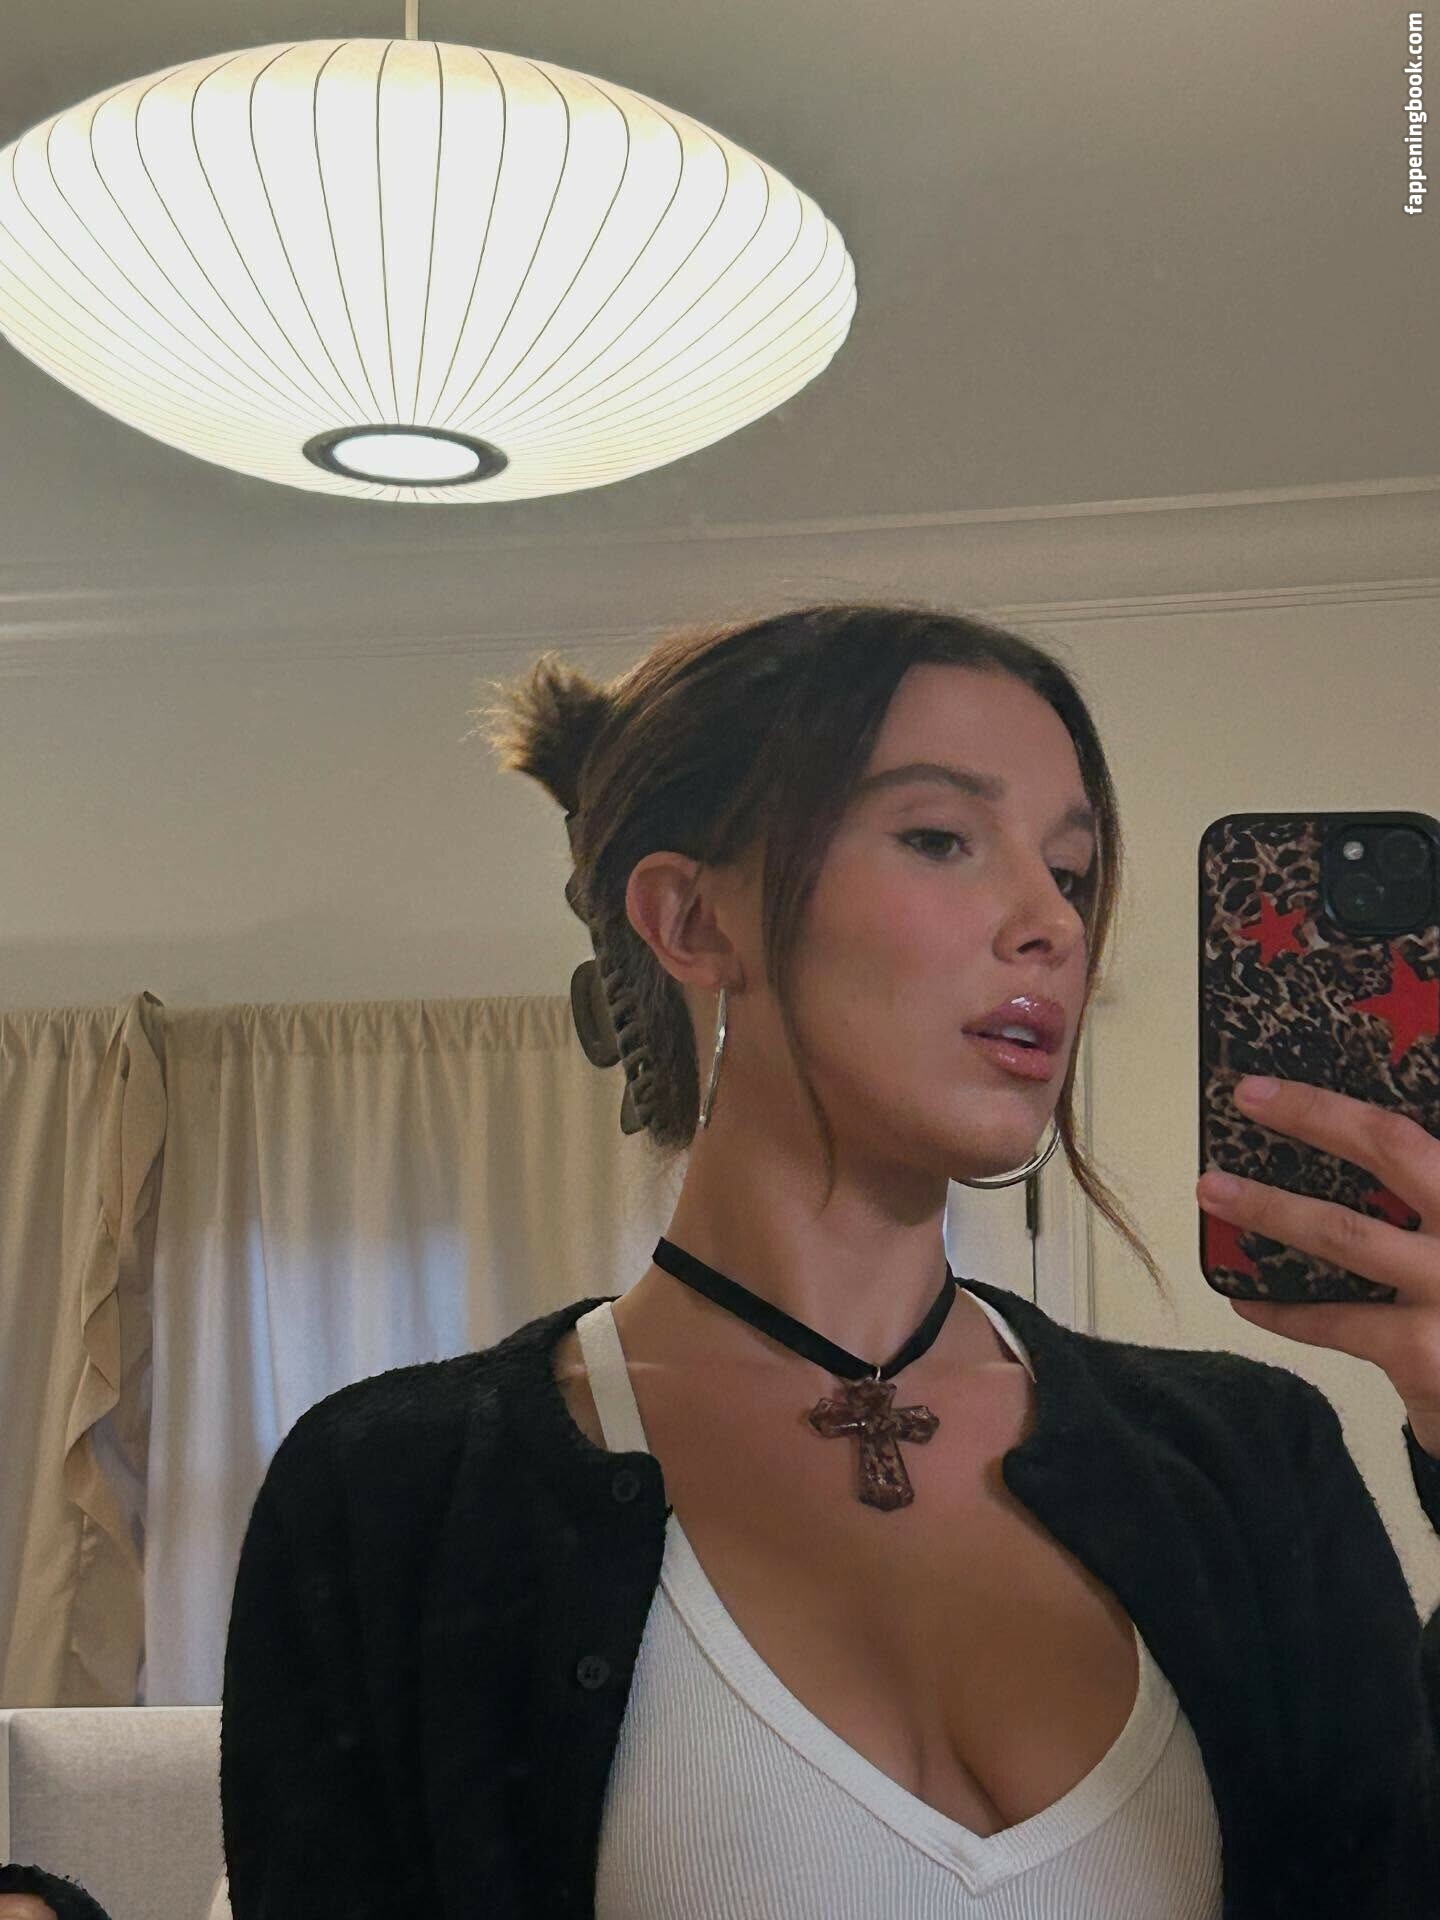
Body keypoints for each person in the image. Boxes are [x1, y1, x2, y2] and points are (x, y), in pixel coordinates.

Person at [209, 600, 1440, 1917]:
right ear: (691, 919)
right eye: (941, 838)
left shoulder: (1251, 1463)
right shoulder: (395, 1501)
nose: (1053, 923)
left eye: (1072, 871)